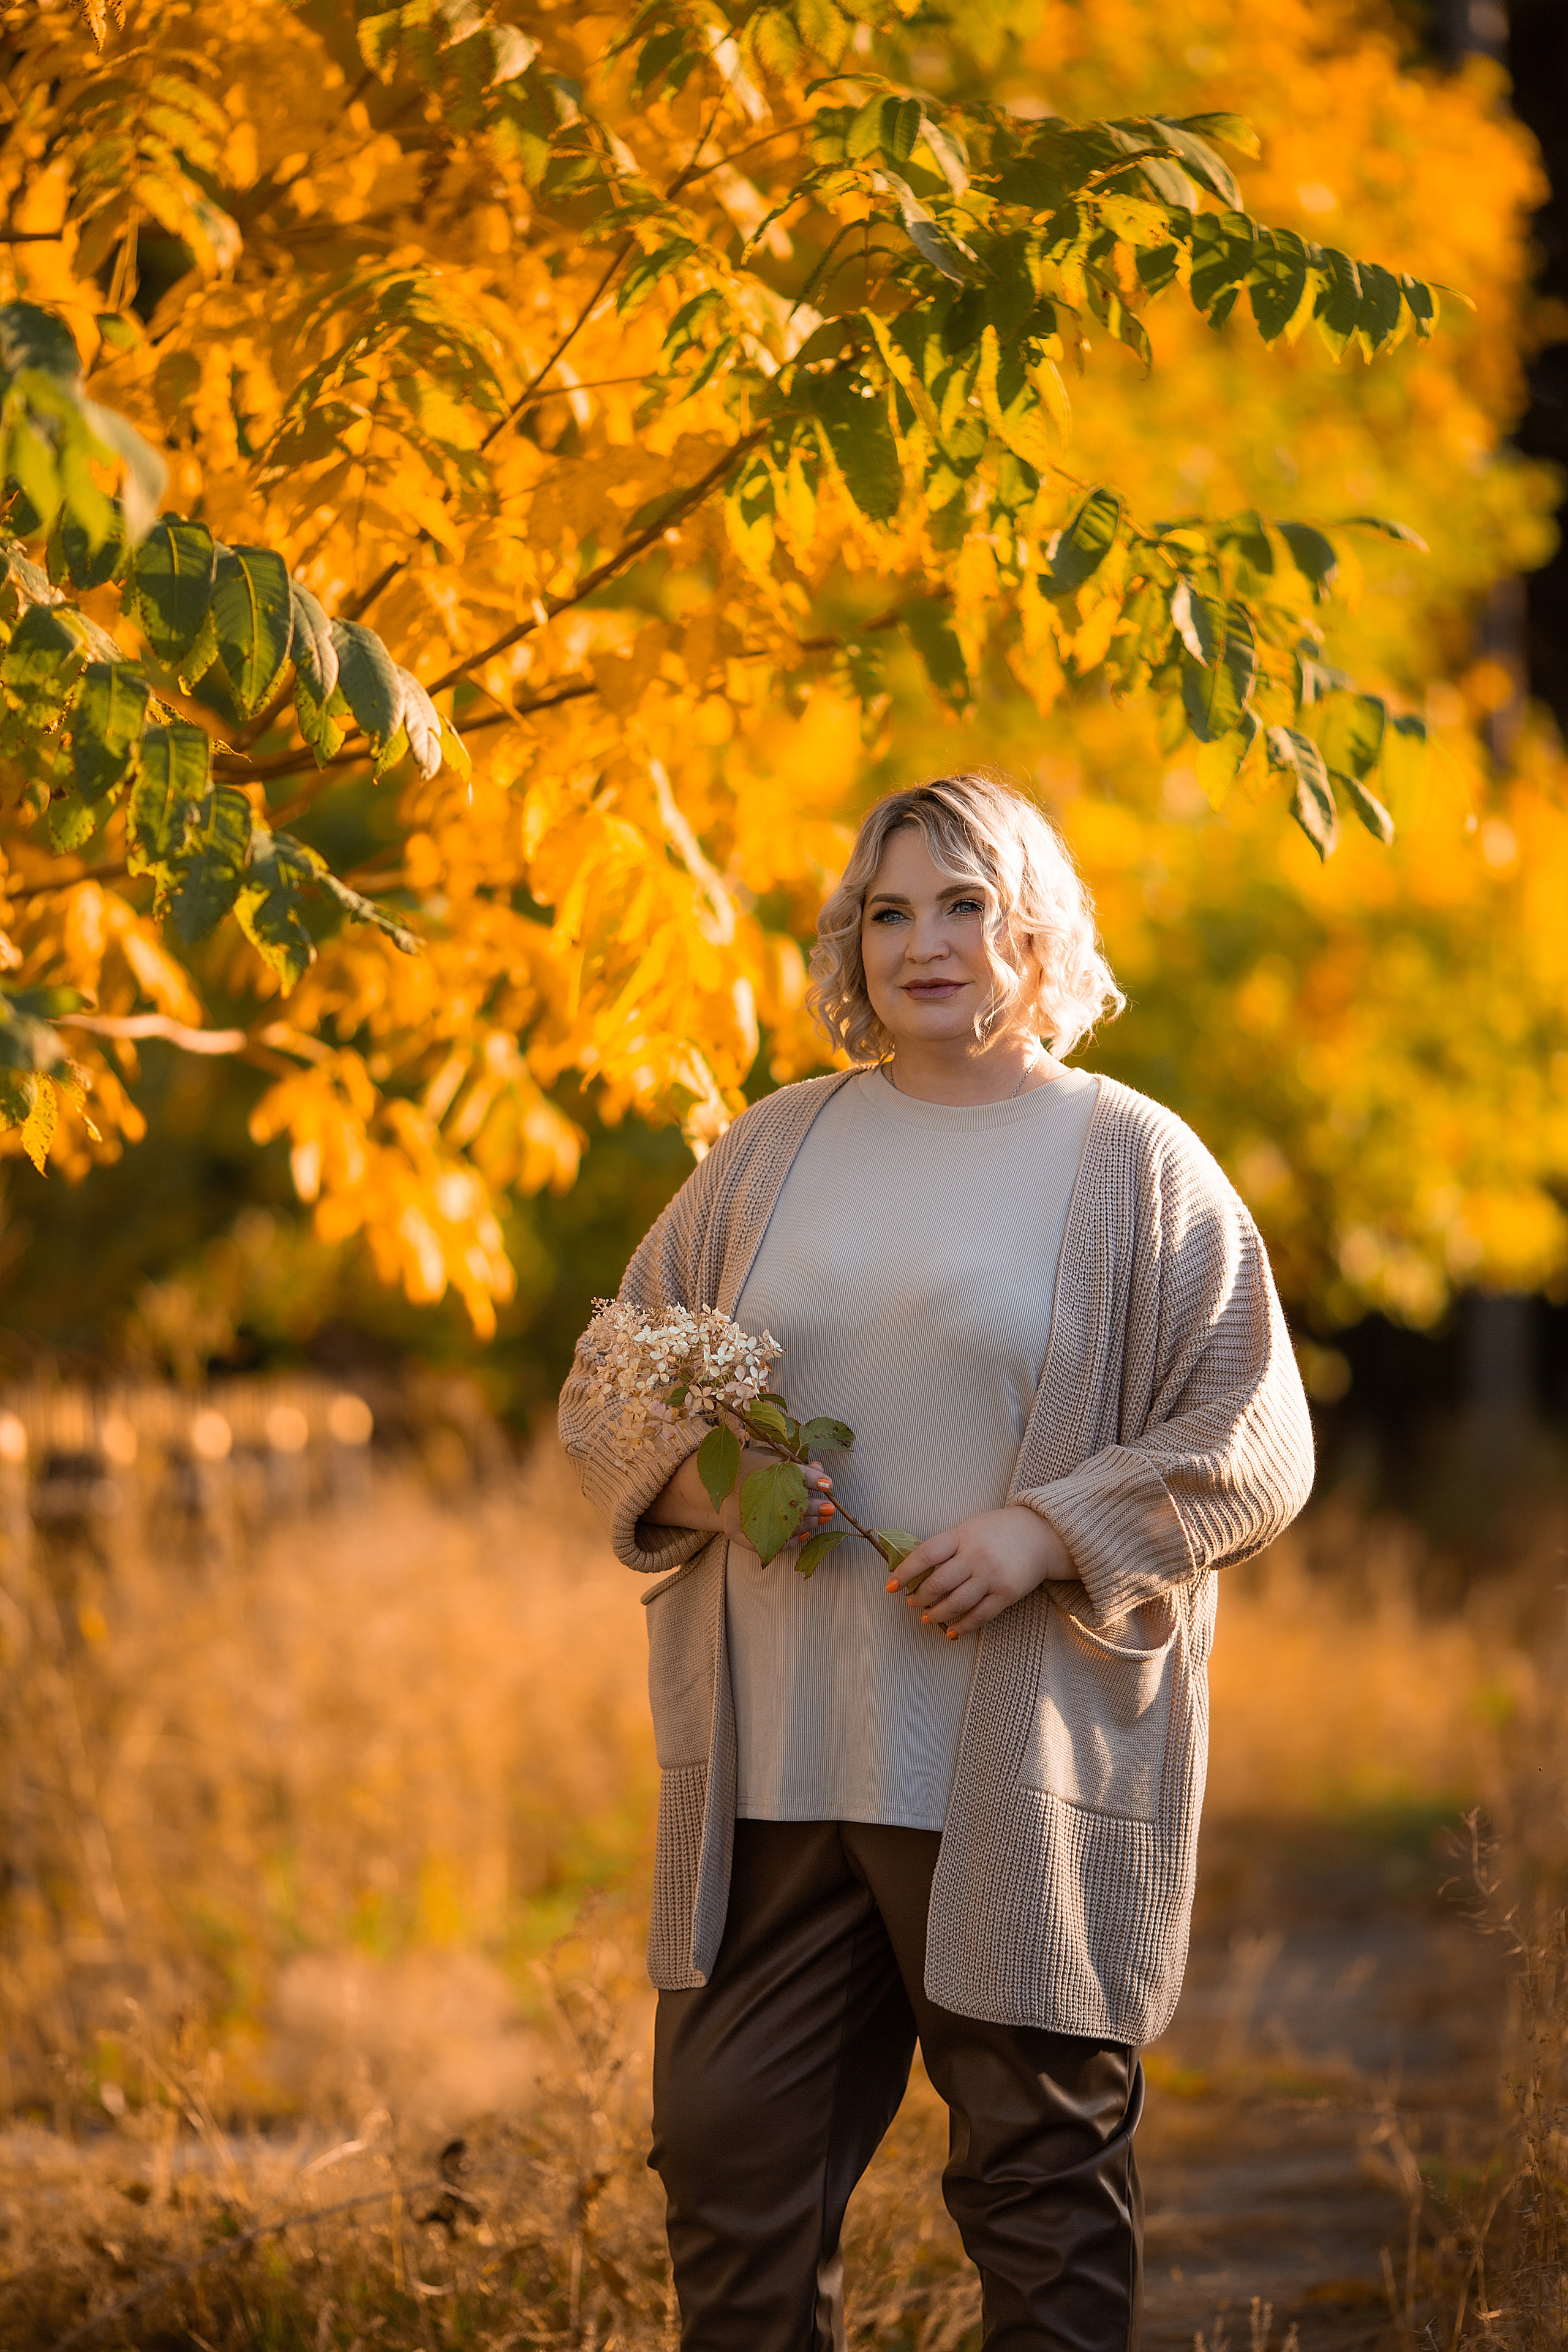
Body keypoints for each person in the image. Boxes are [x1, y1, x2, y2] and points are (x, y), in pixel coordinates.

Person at [559, 771, 1314, 2352]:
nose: (924, 945)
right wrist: (723, 1490)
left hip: (1007, 1777)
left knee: (1040, 2195)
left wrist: (1047, 1531)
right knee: (727, 2169)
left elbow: (1257, 1437)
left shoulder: (1136, 1162)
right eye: (888, 912)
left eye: (965, 905)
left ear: (1035, 931)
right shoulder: (772, 1149)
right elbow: (610, 1382)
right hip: (775, 1776)